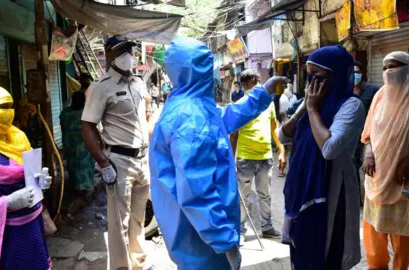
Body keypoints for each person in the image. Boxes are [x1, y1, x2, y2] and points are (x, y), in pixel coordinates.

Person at [149, 37, 286, 270]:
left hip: (198, 232)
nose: (213, 72)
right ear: (193, 70)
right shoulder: (190, 118)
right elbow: (197, 191)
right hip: (203, 238)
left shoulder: (189, 103)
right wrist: (225, 242)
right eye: (206, 65)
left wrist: (262, 93)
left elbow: (226, 118)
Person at [278, 46, 365, 269]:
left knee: (328, 253)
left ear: (335, 76)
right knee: (303, 251)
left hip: (331, 189)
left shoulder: (351, 106)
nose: (311, 82)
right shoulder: (311, 102)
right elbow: (282, 135)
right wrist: (303, 110)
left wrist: (313, 110)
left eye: (318, 76)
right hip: (303, 188)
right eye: (308, 75)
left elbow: (329, 148)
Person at [81, 36, 150, 270]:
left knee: (138, 217)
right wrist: (103, 163)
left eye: (129, 50)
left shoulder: (139, 83)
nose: (127, 55)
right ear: (108, 55)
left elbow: (144, 117)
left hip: (142, 158)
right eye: (121, 51)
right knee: (118, 220)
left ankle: (138, 260)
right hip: (118, 161)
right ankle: (121, 267)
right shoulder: (101, 87)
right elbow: (87, 127)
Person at [0, 85, 52, 270]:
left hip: (32, 222)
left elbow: (27, 173)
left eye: (9, 106)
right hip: (0, 232)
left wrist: (39, 181)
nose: (6, 113)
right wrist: (5, 203)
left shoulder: (17, 137)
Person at [361, 51, 409, 270]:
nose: (389, 72)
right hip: (377, 178)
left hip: (406, 180)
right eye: (386, 68)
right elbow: (368, 132)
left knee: (402, 241)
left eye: (395, 67)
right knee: (374, 238)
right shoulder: (380, 95)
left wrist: (408, 161)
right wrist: (369, 153)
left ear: (408, 70)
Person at [230, 69, 287, 245]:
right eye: (259, 80)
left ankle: (267, 227)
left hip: (264, 157)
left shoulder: (267, 103)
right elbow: (234, 134)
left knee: (262, 195)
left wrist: (281, 150)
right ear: (253, 81)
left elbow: (274, 127)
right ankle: (240, 231)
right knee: (245, 197)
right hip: (246, 157)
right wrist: (232, 160)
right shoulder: (241, 104)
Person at [60, 91, 95, 214]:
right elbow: (93, 130)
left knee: (74, 166)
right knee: (84, 168)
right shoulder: (86, 113)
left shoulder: (64, 113)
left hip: (70, 145)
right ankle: (83, 191)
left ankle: (78, 189)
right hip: (84, 145)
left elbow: (63, 128)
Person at [352, 60, 380, 204]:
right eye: (352, 72)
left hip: (370, 135)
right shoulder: (345, 90)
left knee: (372, 166)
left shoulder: (373, 90)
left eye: (357, 71)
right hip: (352, 136)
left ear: (362, 73)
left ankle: (373, 199)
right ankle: (357, 199)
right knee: (353, 166)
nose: (355, 74)